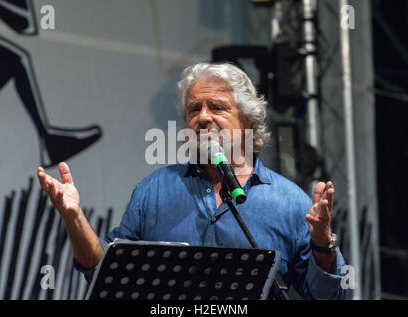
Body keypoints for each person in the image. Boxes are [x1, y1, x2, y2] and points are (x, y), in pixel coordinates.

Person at [37, 62, 347, 299]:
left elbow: (328, 295)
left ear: (248, 122)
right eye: (193, 109)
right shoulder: (153, 191)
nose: (202, 117)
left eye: (217, 107)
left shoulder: (290, 202)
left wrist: (323, 245)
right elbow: (101, 269)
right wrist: (74, 217)